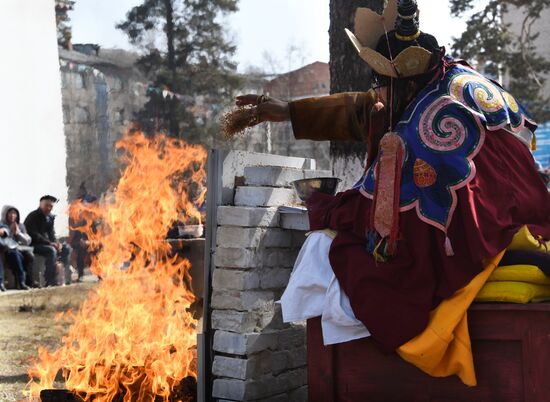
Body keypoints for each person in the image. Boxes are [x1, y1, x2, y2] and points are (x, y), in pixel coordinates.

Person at [236, 0, 550, 385]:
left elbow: (384, 213)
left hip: (484, 237)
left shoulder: (430, 120)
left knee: (334, 251)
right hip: (531, 217)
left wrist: (326, 207)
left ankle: (338, 371)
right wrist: (287, 110)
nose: (376, 92)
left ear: (406, 82)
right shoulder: (453, 77)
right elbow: (368, 108)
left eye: (382, 83)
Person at [24, 195, 72, 286]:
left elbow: (52, 234)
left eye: (51, 206)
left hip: (46, 244)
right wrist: (50, 243)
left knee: (66, 248)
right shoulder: (32, 216)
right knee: (51, 251)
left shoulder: (50, 218)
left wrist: (57, 243)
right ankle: (50, 280)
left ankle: (64, 277)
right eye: (47, 205)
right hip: (33, 244)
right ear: (40, 204)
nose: (49, 208)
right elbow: (34, 235)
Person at [0, 205, 34, 290]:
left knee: (29, 256)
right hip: (6, 251)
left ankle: (28, 281)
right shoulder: (2, 225)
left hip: (19, 250)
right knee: (14, 254)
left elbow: (28, 241)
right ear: (5, 214)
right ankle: (21, 282)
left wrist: (18, 233)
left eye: (14, 213)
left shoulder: (20, 226)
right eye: (10, 213)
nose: (12, 215)